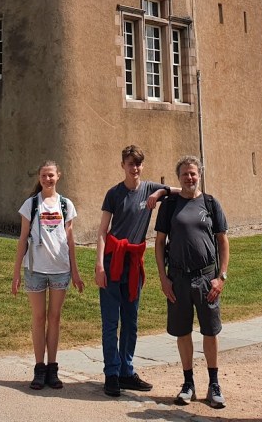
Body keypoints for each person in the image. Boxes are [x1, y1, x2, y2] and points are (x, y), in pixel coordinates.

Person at [96, 144, 176, 397]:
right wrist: (99, 265)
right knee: (111, 322)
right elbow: (101, 232)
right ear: (123, 165)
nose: (135, 168)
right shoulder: (114, 194)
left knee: (130, 321)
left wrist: (160, 191)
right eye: (131, 163)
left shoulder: (150, 189)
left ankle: (126, 372)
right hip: (112, 260)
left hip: (133, 264)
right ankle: (111, 373)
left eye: (139, 163)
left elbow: (179, 191)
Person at [154, 155, 229, 409]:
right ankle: (188, 383)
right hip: (178, 278)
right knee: (182, 331)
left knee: (210, 331)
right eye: (185, 174)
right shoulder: (170, 206)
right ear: (179, 177)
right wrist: (164, 279)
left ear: (200, 175)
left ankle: (214, 383)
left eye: (193, 173)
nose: (189, 178)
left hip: (207, 277)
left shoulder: (210, 203)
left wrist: (221, 277)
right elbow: (159, 242)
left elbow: (222, 241)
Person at [12, 160, 85, 391]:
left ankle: (52, 368)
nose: (48, 179)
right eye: (44, 176)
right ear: (39, 177)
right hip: (35, 269)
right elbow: (22, 239)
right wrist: (15, 274)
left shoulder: (66, 205)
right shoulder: (31, 205)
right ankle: (39, 368)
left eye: (51, 175)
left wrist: (75, 271)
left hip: (60, 269)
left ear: (58, 176)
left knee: (54, 318)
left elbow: (70, 240)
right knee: (38, 318)